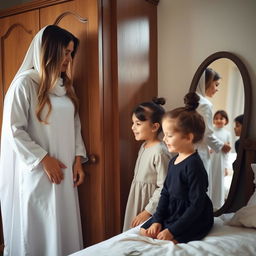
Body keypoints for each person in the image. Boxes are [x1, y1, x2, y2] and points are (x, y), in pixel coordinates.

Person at [0, 25, 87, 256]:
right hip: (37, 172)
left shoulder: (65, 86)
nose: (69, 59)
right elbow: (13, 130)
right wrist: (43, 158)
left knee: (64, 228)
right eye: (65, 52)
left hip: (66, 170)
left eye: (71, 53)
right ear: (50, 51)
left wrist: (78, 159)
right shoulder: (24, 84)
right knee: (39, 230)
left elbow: (75, 125)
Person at [140, 92, 213, 243]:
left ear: (188, 137)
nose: (164, 139)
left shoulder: (194, 166)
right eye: (164, 135)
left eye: (169, 135)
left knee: (168, 239)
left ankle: (176, 233)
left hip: (192, 215)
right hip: (174, 209)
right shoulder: (174, 161)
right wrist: (157, 220)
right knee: (144, 230)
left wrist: (173, 231)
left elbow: (197, 205)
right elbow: (165, 193)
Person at [123, 98, 171, 231]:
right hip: (136, 199)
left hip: (150, 205)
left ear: (155, 127)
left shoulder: (160, 152)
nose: (133, 127)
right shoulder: (144, 146)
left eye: (138, 123)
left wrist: (148, 211)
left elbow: (164, 187)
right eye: (133, 123)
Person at [196, 68, 231, 198]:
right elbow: (206, 134)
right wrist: (222, 146)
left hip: (189, 150)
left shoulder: (194, 100)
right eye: (216, 85)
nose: (217, 89)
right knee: (202, 189)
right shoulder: (205, 104)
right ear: (208, 82)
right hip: (200, 152)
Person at [210, 110, 231, 209]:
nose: (218, 120)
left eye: (221, 118)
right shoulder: (211, 131)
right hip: (211, 159)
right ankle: (208, 203)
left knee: (219, 181)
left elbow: (227, 152)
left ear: (226, 120)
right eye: (216, 118)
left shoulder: (227, 134)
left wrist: (226, 167)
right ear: (213, 120)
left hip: (221, 161)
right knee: (210, 180)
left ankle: (218, 205)